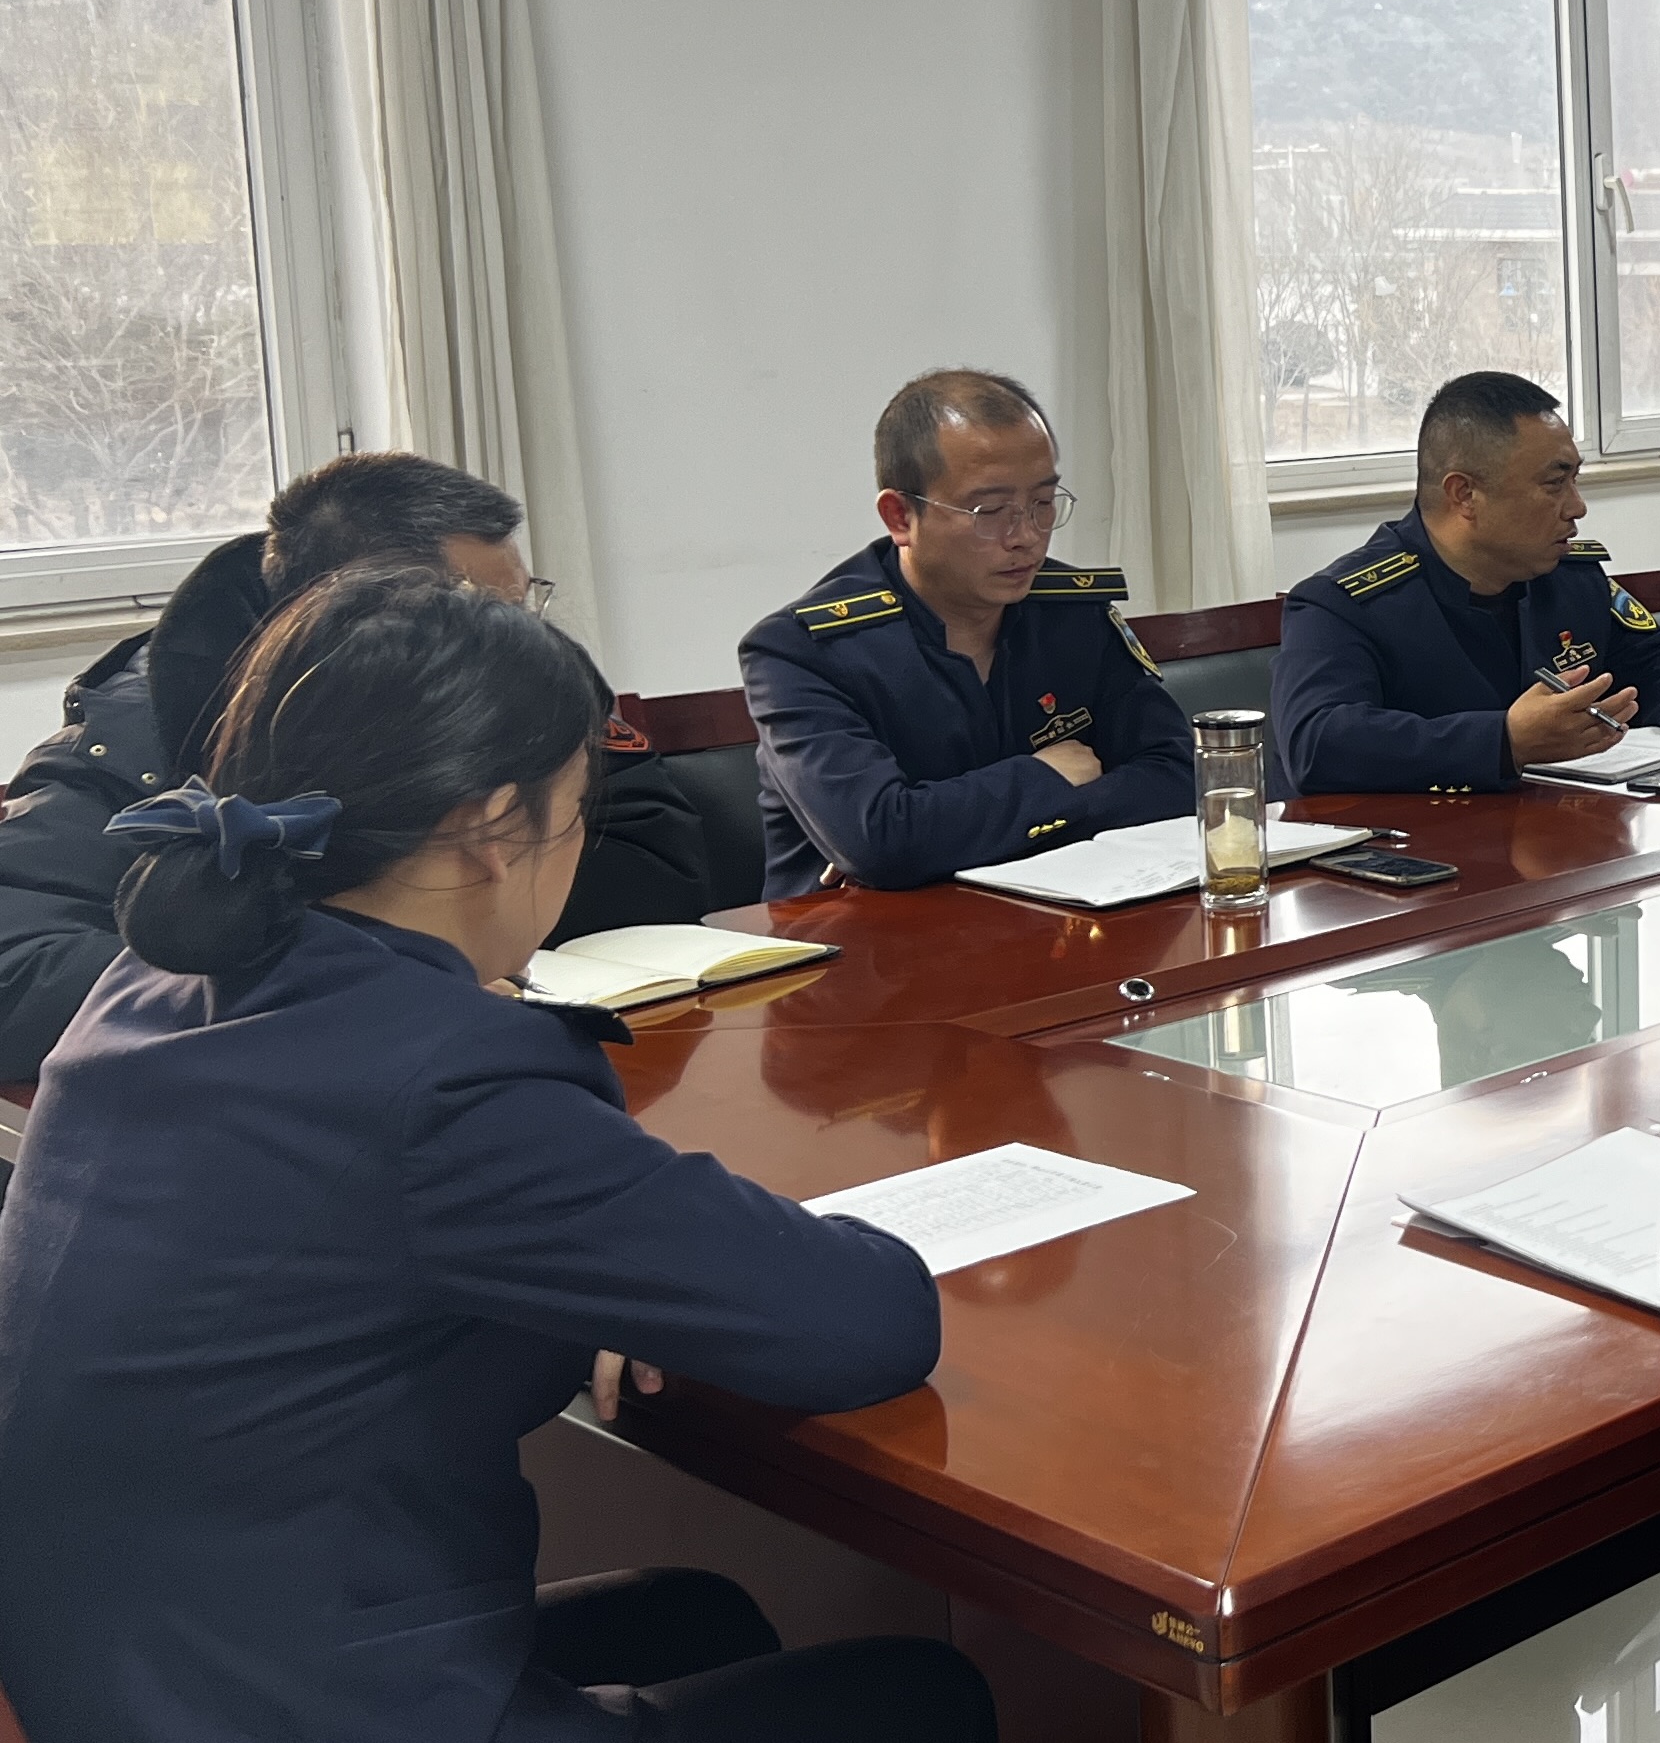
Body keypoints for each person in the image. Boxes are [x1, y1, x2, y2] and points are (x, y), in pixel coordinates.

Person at [0, 566, 986, 1742]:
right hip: (293, 1706)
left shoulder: (153, 984)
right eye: (577, 807)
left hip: (140, 1673)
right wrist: (630, 1270)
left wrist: (599, 1274)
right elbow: (869, 1321)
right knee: (923, 1695)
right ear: (487, 828)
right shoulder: (443, 1076)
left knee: (691, 1616)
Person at [0, 454, 704, 1085]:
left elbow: (653, 860)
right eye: (478, 611)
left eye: (521, 606)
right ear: (356, 613)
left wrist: (455, 922)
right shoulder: (138, 733)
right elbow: (17, 974)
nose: (518, 636)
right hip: (269, 1109)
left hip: (531, 1052)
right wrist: (352, 979)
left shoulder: (528, 680)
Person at [740, 370, 1191, 899]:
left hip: (1059, 919)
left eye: (1043, 503)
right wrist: (1047, 778)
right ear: (900, 516)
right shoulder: (802, 652)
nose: (1026, 537)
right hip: (857, 938)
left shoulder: (1071, 614)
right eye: (990, 512)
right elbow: (883, 843)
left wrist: (957, 826)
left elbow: (1179, 779)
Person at [1277, 371, 1660, 794]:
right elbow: (1316, 743)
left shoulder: (1568, 577)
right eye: (1554, 483)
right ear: (1465, 495)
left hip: (1568, 845)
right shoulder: (1345, 605)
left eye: (1575, 480)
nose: (1577, 507)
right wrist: (1503, 741)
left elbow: (1650, 659)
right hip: (1423, 863)